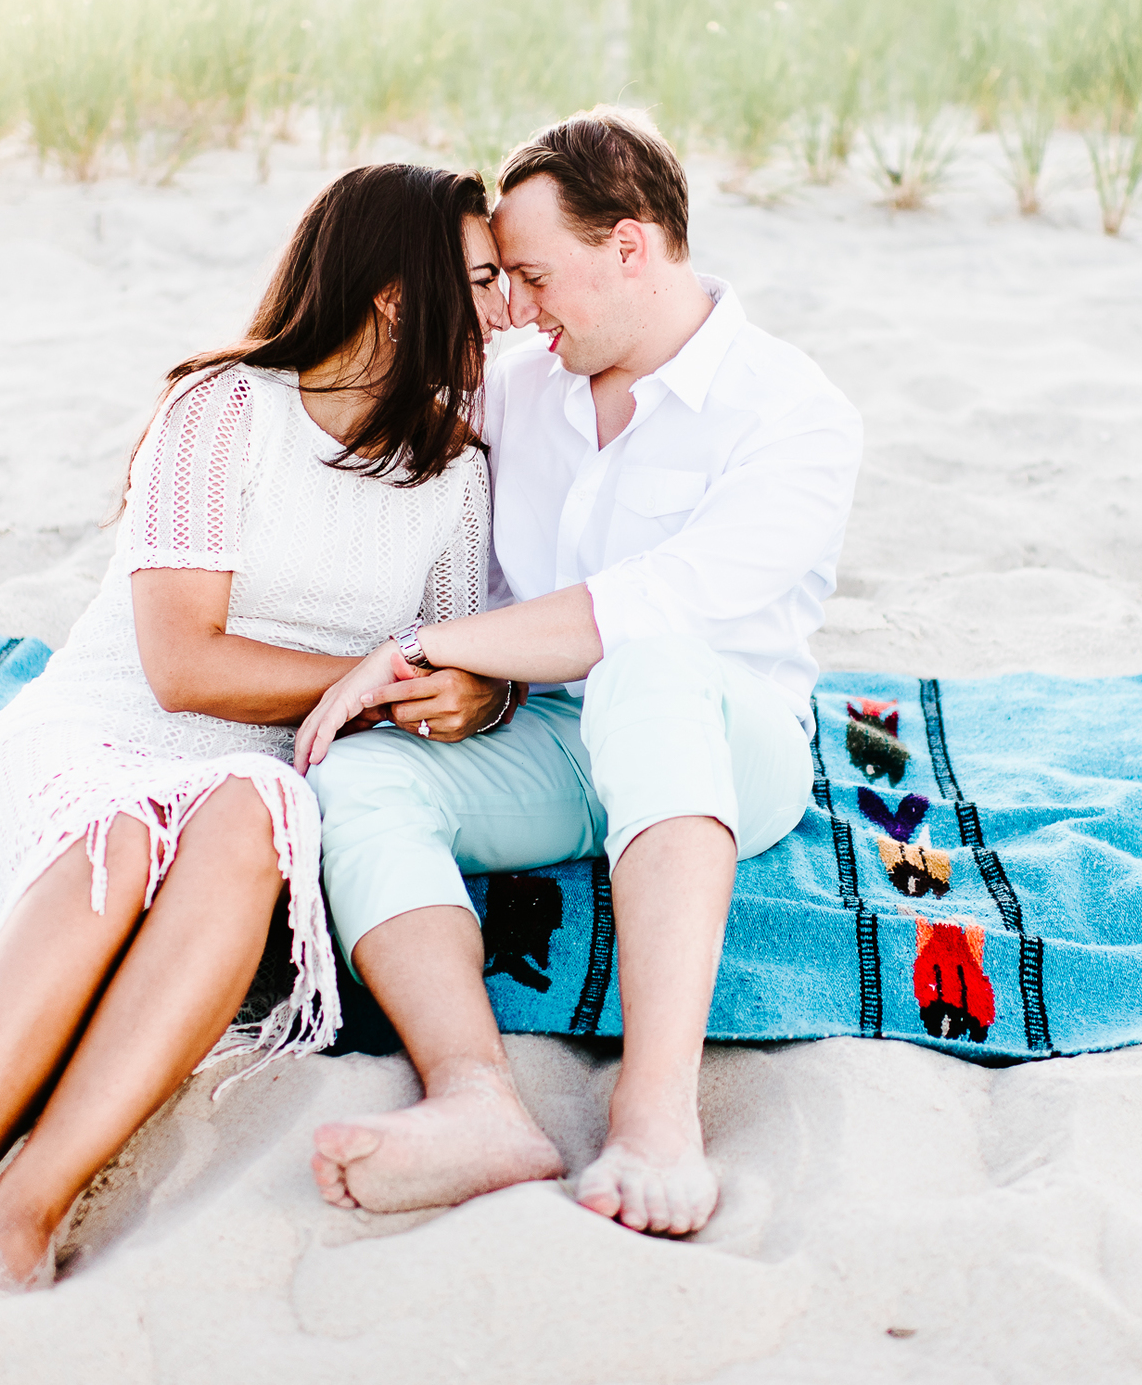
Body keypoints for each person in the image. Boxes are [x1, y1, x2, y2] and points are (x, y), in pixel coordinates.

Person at [0, 163, 513, 1291]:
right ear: (397, 291)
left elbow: (450, 659)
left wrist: (474, 694)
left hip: (251, 787)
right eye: (481, 278)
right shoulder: (224, 410)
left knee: (255, 808)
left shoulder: (454, 468)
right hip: (103, 736)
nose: (504, 308)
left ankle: (24, 1205)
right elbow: (181, 660)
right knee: (126, 837)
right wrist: (366, 680)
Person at [296, 109, 863, 1238]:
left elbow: (644, 611)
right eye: (501, 278)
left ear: (632, 245)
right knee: (355, 781)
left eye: (534, 275)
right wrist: (480, 682)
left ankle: (656, 1115)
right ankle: (476, 1101)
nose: (514, 305)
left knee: (649, 666)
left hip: (724, 746)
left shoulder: (794, 414)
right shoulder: (517, 385)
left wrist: (424, 652)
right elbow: (377, 453)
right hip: (556, 738)